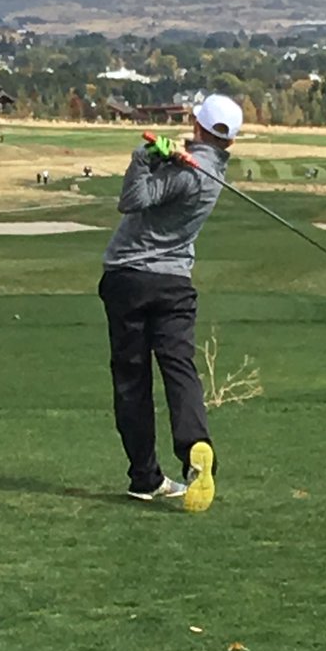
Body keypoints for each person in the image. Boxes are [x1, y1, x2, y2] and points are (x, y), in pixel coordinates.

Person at [98, 94, 243, 511]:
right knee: (180, 369)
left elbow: (132, 201)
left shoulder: (189, 173)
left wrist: (144, 157)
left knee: (132, 380)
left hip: (129, 278)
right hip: (176, 284)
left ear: (197, 124)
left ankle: (145, 476)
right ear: (229, 143)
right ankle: (195, 443)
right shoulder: (212, 171)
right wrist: (170, 158)